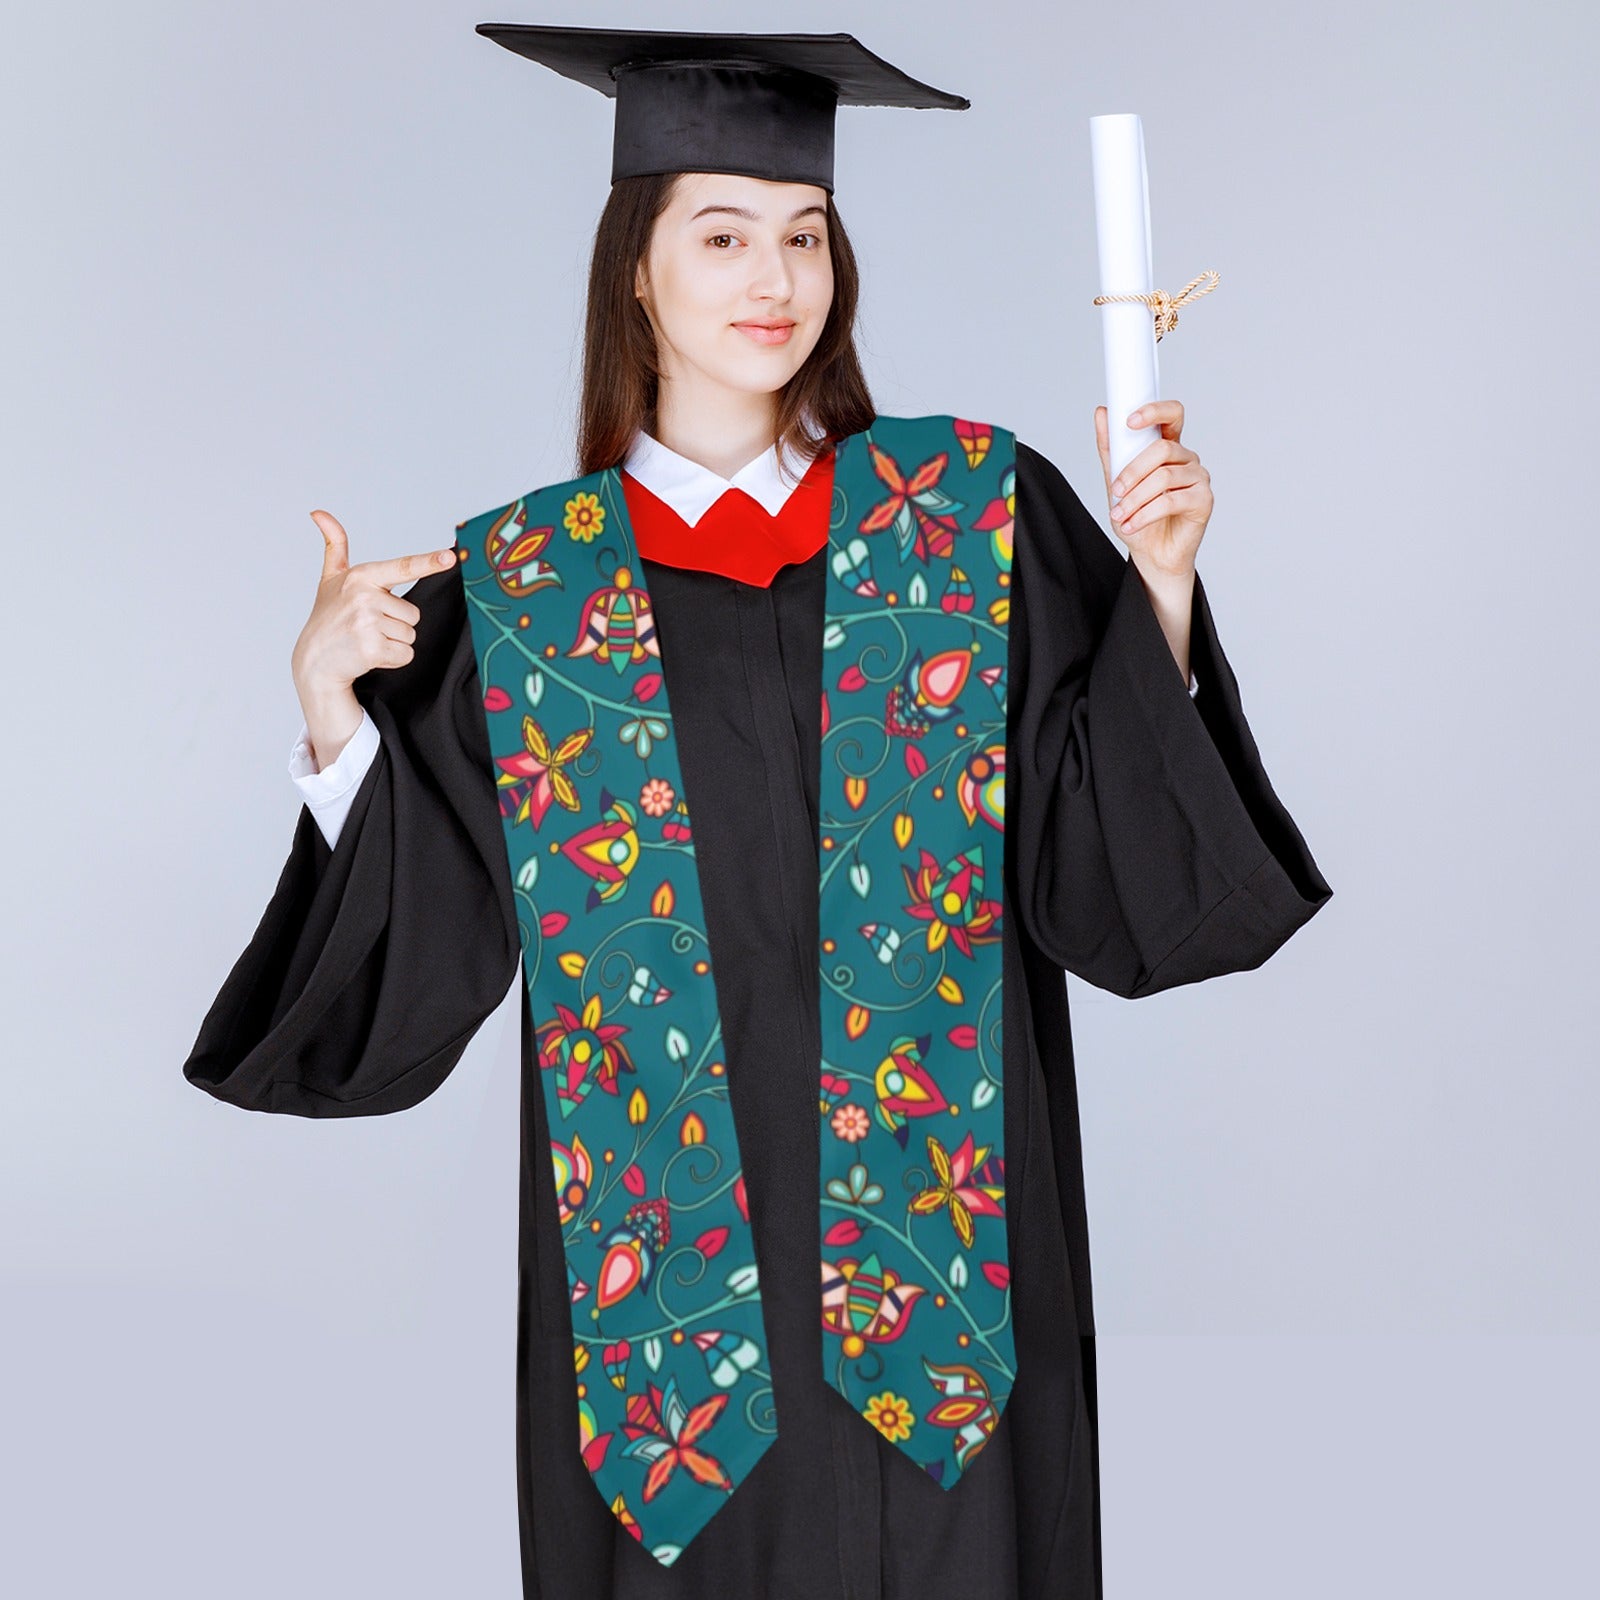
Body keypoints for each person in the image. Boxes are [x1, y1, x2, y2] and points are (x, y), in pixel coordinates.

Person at [183, 23, 1332, 1599]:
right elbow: (419, 950)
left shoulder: (965, 520)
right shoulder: (530, 591)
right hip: (671, 1367)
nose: (775, 277)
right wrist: (333, 714)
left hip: (951, 1318)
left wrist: (1165, 591)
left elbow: (1110, 871)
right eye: (721, 237)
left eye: (805, 235)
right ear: (636, 274)